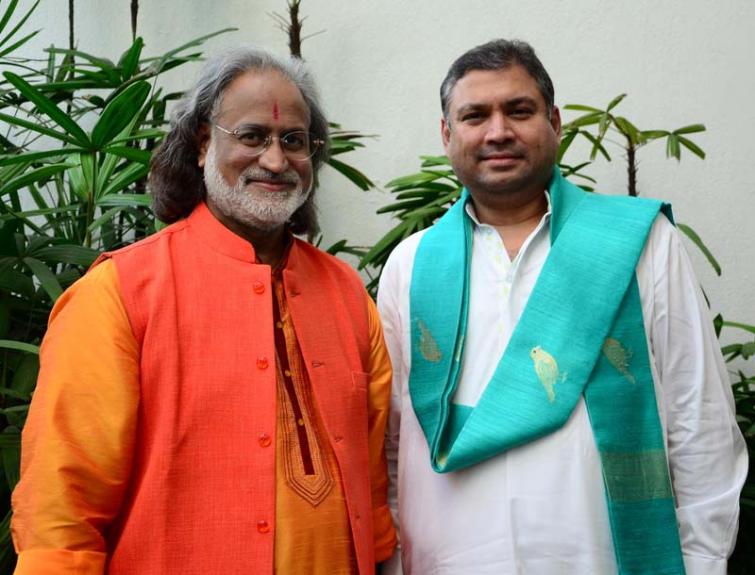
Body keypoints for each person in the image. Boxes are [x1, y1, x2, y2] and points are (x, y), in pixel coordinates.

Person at [11, 46, 396, 575]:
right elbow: (61, 511)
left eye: (293, 140)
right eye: (253, 136)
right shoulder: (119, 292)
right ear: (202, 144)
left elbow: (372, 483)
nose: (276, 161)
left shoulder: (346, 293)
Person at [377, 39, 746, 575]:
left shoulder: (640, 243)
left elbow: (698, 415)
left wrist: (703, 561)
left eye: (519, 110)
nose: (498, 131)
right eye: (475, 116)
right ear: (447, 134)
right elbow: (392, 440)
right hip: (450, 561)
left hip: (604, 559)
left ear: (554, 122)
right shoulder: (411, 264)